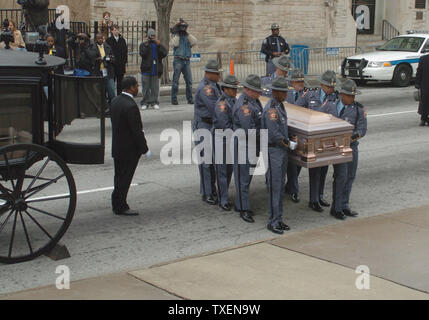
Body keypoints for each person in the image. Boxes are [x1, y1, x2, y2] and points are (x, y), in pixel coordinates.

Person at [321, 79, 367, 220]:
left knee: (349, 176)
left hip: (350, 147)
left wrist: (350, 138)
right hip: (334, 147)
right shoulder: (329, 106)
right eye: (349, 95)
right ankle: (337, 207)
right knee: (340, 176)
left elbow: (362, 129)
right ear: (342, 95)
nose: (352, 98)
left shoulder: (358, 108)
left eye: (353, 96)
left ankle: (344, 205)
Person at [297, 70, 339, 212]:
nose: (331, 89)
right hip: (312, 138)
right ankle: (313, 200)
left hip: (327, 138)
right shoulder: (310, 94)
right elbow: (297, 109)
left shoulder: (336, 97)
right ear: (322, 85)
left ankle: (320, 196)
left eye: (333, 87)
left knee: (324, 169)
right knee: (315, 171)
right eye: (328, 86)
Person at [110, 76, 151, 216]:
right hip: (128, 150)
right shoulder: (130, 105)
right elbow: (136, 130)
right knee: (125, 178)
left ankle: (116, 202)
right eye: (136, 86)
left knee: (118, 177)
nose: (138, 88)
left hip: (117, 147)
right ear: (132, 87)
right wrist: (144, 149)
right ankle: (121, 205)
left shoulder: (115, 101)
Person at [262, 76, 298, 235]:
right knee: (275, 187)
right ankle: (273, 221)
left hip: (280, 151)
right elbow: (275, 135)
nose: (286, 95)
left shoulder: (280, 106)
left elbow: (283, 128)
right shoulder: (271, 110)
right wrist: (288, 143)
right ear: (275, 92)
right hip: (274, 151)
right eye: (283, 92)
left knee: (280, 187)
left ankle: (279, 218)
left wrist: (290, 138)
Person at [232, 74, 264, 223]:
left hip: (252, 146)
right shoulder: (244, 106)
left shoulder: (254, 101)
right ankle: (243, 209)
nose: (259, 93)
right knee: (243, 179)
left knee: (247, 177)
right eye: (256, 91)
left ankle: (241, 204)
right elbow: (249, 131)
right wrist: (266, 135)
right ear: (248, 90)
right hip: (244, 146)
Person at [193, 60, 222, 205]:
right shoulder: (206, 89)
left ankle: (211, 189)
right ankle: (207, 192)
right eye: (217, 73)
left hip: (210, 125)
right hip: (203, 125)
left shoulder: (215, 85)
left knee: (211, 161)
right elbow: (215, 108)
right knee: (206, 161)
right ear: (209, 73)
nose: (219, 76)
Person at [284, 69, 311, 203]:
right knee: (289, 163)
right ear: (291, 82)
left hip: (300, 133)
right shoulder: (286, 93)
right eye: (298, 81)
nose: (300, 84)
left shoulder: (307, 93)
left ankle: (292, 188)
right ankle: (291, 187)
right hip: (286, 132)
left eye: (302, 81)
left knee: (298, 163)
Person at [213, 75, 239, 211]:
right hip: (222, 139)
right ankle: (222, 198)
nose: (235, 91)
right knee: (222, 170)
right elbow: (225, 124)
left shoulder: (233, 100)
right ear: (226, 89)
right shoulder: (222, 104)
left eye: (235, 88)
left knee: (229, 169)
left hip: (231, 139)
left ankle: (224, 194)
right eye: (233, 89)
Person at [170, 19, 197, 105]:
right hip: (178, 60)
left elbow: (194, 41)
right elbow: (175, 44)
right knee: (175, 81)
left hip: (186, 61)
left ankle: (190, 98)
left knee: (189, 81)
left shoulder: (187, 37)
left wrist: (187, 34)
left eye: (184, 27)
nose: (183, 29)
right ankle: (174, 99)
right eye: (181, 27)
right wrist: (178, 33)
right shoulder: (175, 36)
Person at [139, 28, 167, 110]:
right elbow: (142, 54)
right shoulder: (143, 45)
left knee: (155, 88)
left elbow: (164, 53)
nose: (152, 38)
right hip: (146, 69)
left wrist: (159, 45)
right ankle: (145, 102)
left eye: (154, 36)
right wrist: (147, 45)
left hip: (155, 69)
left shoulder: (157, 45)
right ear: (147, 36)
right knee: (145, 88)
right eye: (151, 36)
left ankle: (154, 102)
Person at [94, 33, 116, 105]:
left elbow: (113, 58)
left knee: (112, 91)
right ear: (95, 39)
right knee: (101, 92)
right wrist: (98, 59)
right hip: (99, 72)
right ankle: (103, 108)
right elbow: (91, 58)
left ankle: (113, 107)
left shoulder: (107, 47)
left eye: (101, 38)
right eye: (98, 38)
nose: (100, 40)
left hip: (108, 71)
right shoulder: (93, 48)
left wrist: (109, 59)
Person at [106, 25, 128, 96]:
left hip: (120, 64)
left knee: (120, 82)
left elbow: (125, 52)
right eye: (114, 30)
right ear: (112, 31)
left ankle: (120, 96)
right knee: (111, 82)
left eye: (117, 30)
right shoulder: (109, 40)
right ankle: (111, 98)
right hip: (112, 65)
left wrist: (124, 62)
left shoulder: (122, 40)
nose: (116, 31)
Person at [415, 54, 429, 126]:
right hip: (425, 85)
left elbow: (419, 72)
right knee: (424, 102)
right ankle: (425, 119)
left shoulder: (423, 59)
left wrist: (417, 83)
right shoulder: (423, 59)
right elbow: (419, 72)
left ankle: (423, 119)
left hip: (424, 85)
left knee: (424, 102)